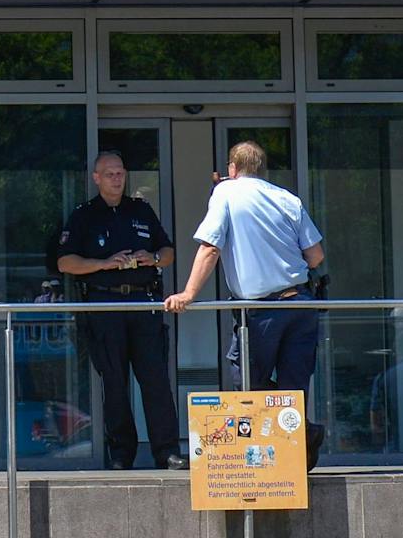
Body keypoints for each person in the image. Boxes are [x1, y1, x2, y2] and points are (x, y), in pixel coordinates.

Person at [165, 140, 327, 470]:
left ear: (232, 169)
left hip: (262, 310)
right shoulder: (287, 198)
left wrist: (188, 294)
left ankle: (302, 439)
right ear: (262, 169)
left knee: (248, 384)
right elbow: (316, 255)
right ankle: (295, 457)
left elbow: (210, 248)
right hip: (299, 304)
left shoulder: (225, 194)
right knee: (294, 387)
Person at [51, 152, 184, 470]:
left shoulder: (141, 210)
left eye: (120, 173)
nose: (116, 178)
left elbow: (168, 252)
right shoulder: (84, 215)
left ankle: (166, 451)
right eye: (109, 174)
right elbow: (65, 262)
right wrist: (103, 263)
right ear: (96, 178)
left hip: (143, 304)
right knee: (114, 383)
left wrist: (151, 257)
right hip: (105, 306)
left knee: (155, 381)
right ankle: (121, 454)